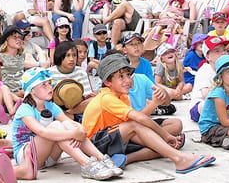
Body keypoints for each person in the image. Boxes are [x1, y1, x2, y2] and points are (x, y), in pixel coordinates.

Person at [82, 53, 215, 174]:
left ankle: (126, 158)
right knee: (140, 127)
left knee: (173, 126)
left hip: (119, 137)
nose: (127, 80)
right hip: (96, 145)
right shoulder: (106, 97)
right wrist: (165, 135)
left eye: (128, 75)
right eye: (121, 77)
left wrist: (161, 99)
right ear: (107, 82)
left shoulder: (123, 96)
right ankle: (179, 158)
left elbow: (164, 104)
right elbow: (138, 119)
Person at [12, 67, 121, 180]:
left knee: (68, 125)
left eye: (50, 83)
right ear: (32, 90)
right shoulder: (25, 109)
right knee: (57, 126)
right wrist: (73, 134)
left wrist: (80, 130)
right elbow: (42, 132)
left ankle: (100, 158)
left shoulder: (50, 105)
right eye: (43, 84)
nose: (49, 87)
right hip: (28, 157)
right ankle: (86, 163)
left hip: (50, 156)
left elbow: (68, 121)